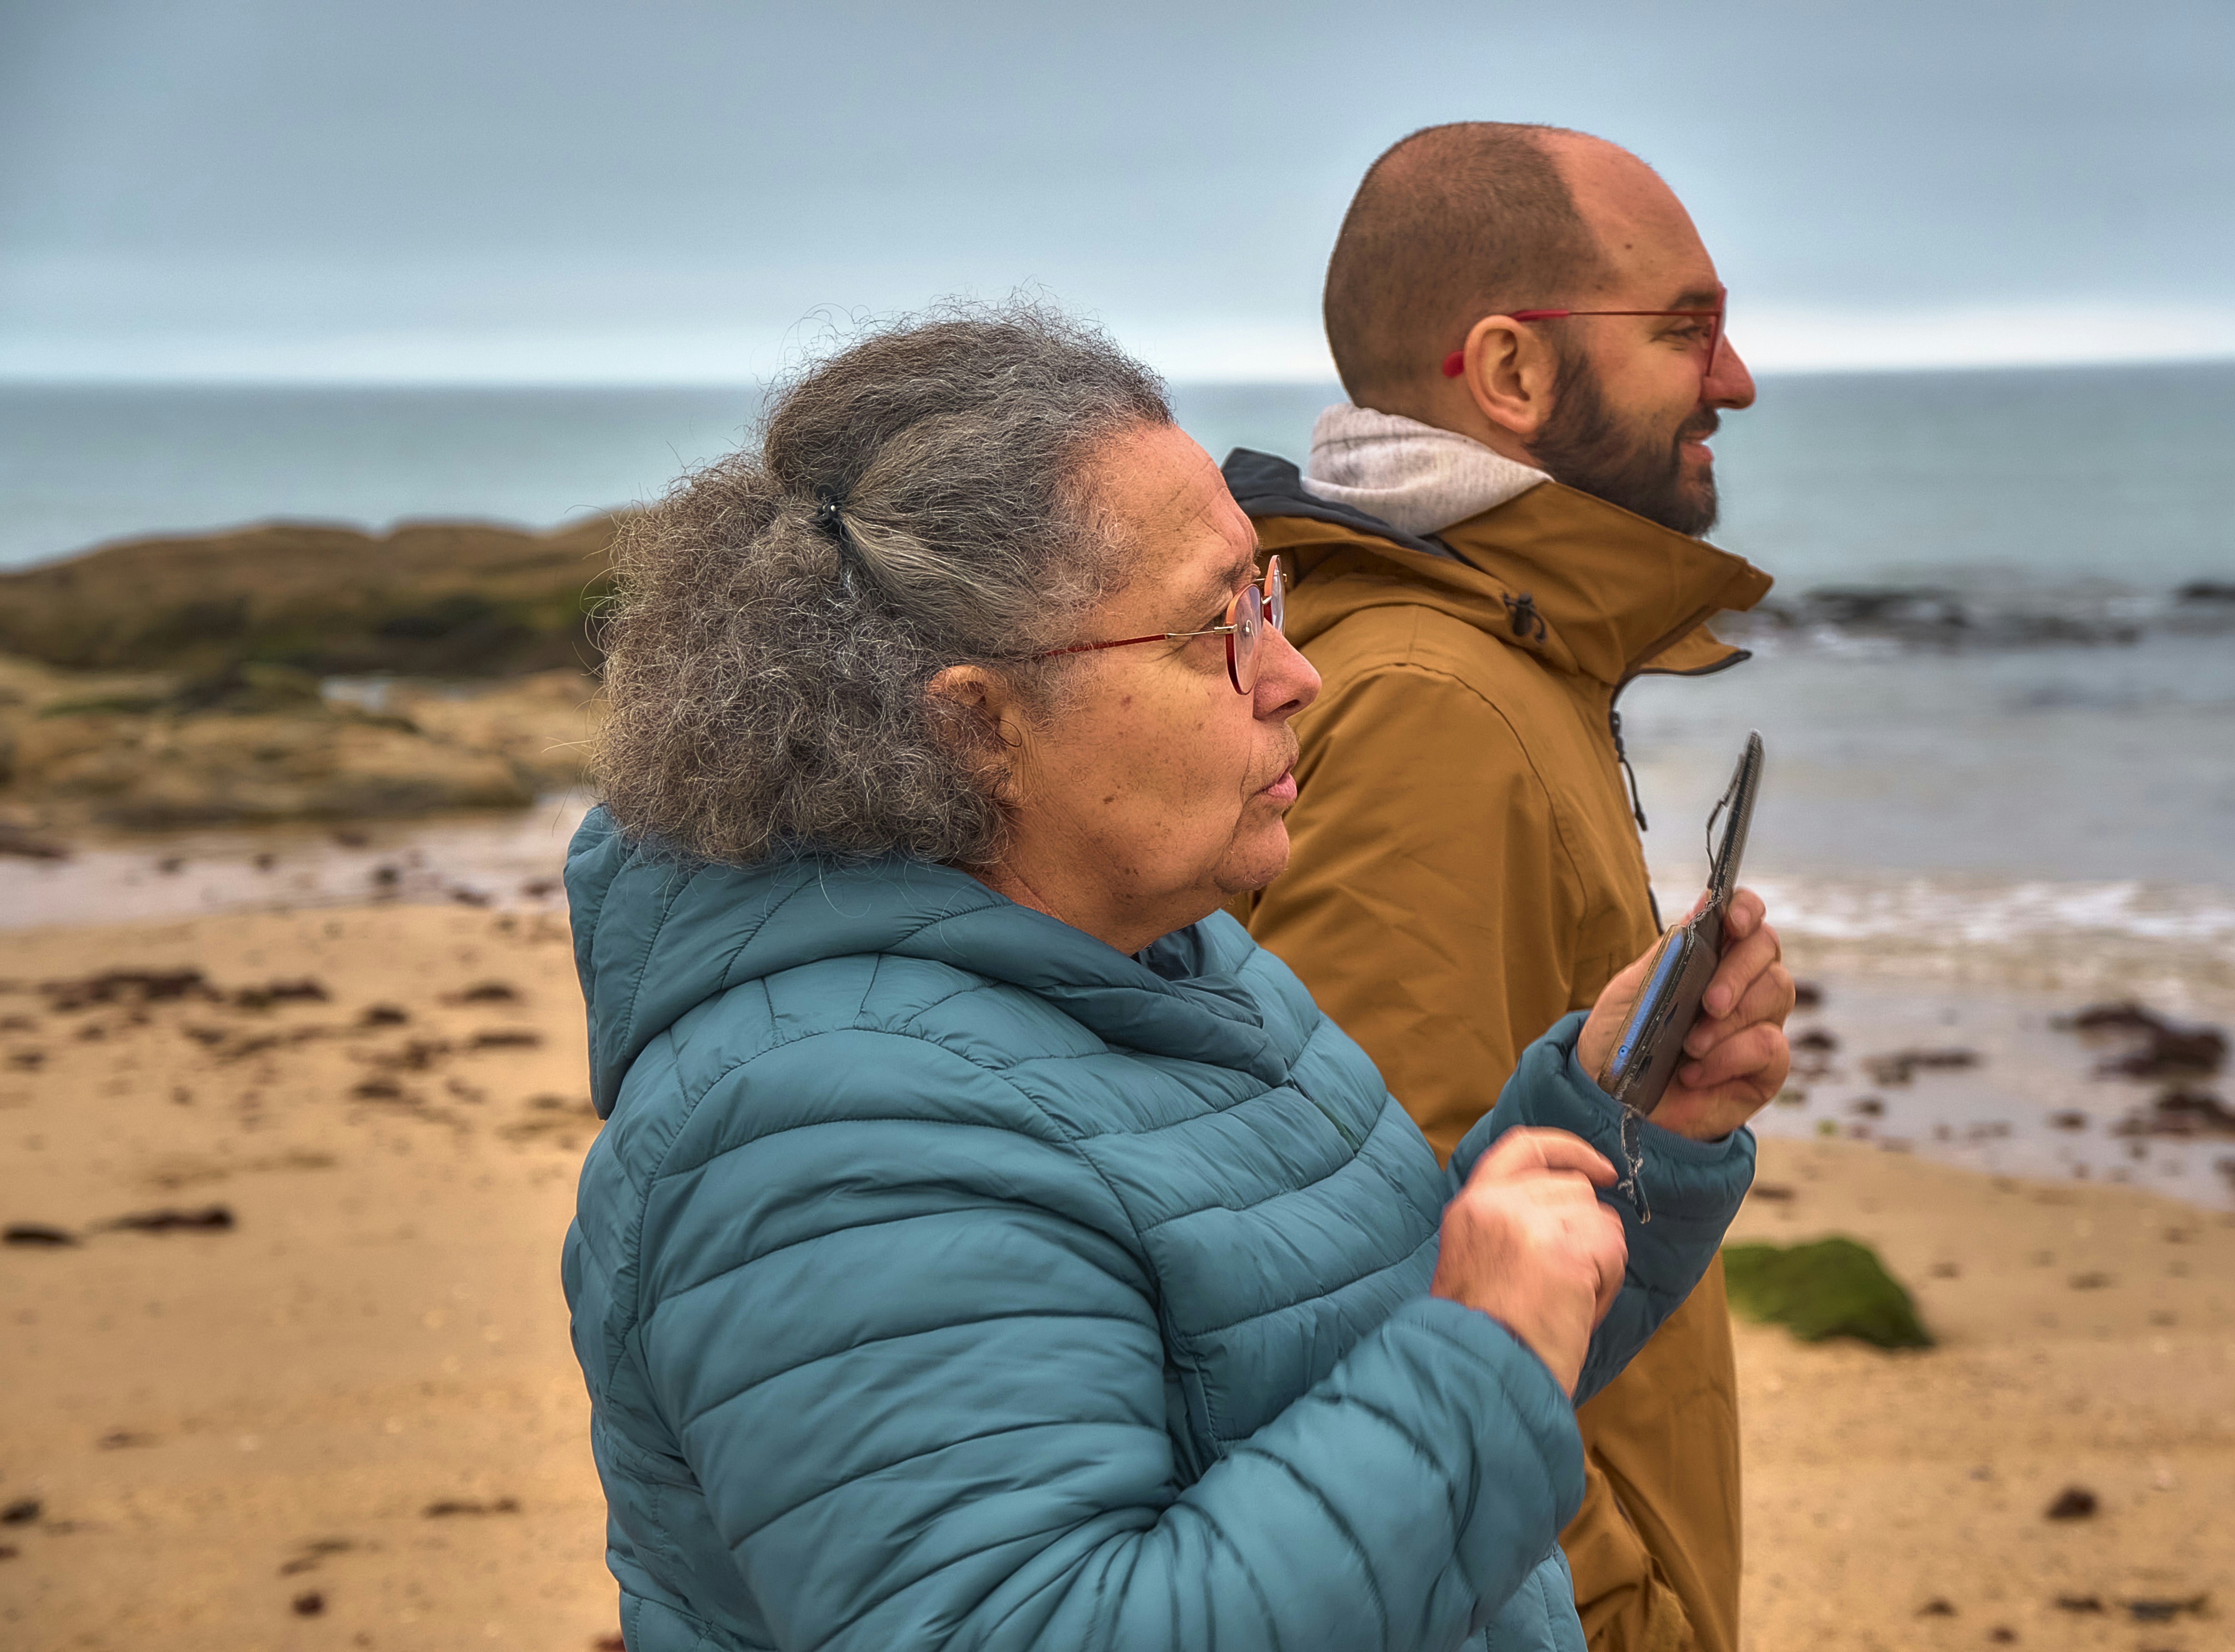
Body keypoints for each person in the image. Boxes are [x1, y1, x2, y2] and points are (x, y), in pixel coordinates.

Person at [561, 304, 1794, 1652]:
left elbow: (1299, 1362)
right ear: (976, 727)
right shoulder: (819, 1140)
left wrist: (1613, 1137)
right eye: (1215, 628)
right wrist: (1484, 1357)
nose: (1296, 673)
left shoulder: (1164, 957)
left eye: (1266, 597)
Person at [1223, 124, 1777, 1652]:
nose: (1733, 380)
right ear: (1512, 371)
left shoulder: (1458, 646)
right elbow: (1359, 1280)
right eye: (1689, 329)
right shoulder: (1434, 700)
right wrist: (1623, 1616)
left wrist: (1647, 1106)